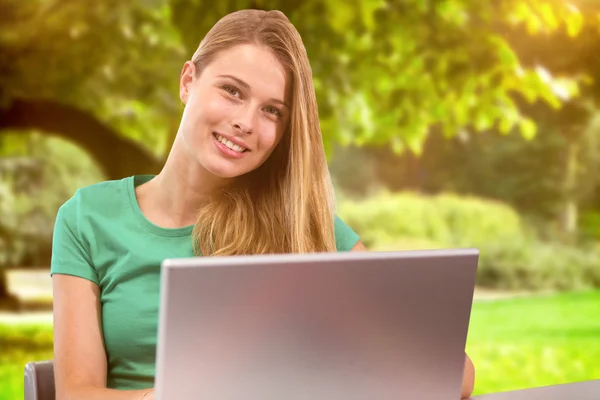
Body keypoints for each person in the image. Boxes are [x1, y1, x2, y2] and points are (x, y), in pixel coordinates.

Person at [50, 9, 475, 400]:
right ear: (187, 81)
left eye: (272, 111)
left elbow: (454, 372)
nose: (246, 123)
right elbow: (76, 394)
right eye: (232, 91)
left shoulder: (299, 224)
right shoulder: (88, 219)